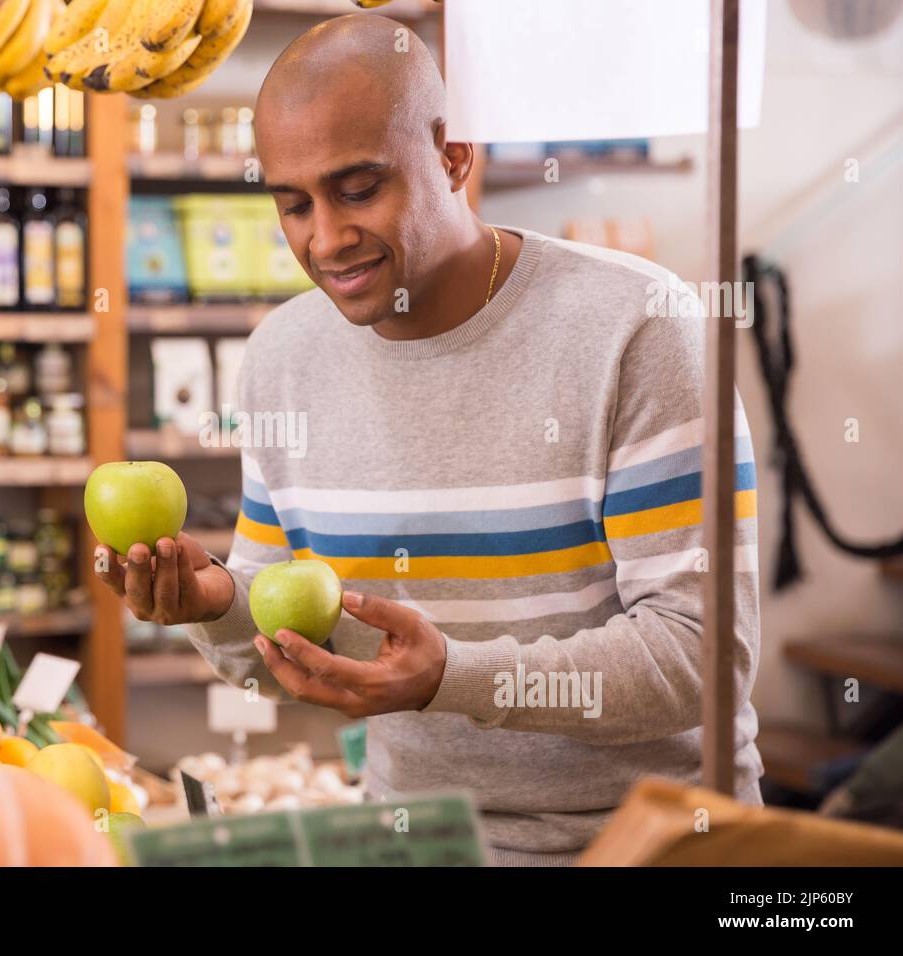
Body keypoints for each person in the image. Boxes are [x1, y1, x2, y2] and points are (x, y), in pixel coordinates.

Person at [92, 14, 762, 866]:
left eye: (359, 188)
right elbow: (293, 637)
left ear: (454, 157)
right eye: (292, 204)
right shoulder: (282, 358)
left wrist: (454, 676)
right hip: (419, 843)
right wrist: (218, 608)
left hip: (649, 847)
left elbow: (699, 658)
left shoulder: (637, 326)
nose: (325, 240)